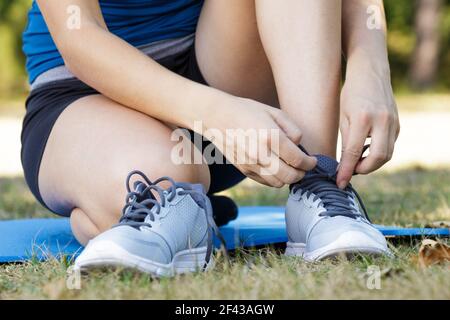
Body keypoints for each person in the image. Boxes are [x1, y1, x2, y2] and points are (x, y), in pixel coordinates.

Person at [21, 0, 400, 276]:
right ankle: (172, 210)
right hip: (86, 92)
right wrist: (218, 114)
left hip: (214, 66)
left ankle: (317, 188)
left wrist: (371, 66)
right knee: (164, 183)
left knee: (170, 187)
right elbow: (79, 34)